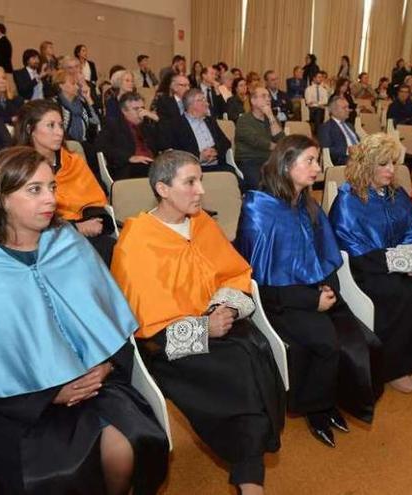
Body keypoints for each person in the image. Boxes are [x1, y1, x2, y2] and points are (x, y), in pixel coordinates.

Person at [0, 146, 168, 495]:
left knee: (131, 444)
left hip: (94, 385)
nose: (50, 199)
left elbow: (109, 324)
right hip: (16, 404)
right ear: (2, 197)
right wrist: (51, 394)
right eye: (34, 190)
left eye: (52, 187)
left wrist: (104, 367)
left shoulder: (65, 243)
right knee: (60, 475)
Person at [111, 150, 284, 493]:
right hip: (171, 346)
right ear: (162, 188)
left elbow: (235, 274)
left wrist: (228, 310)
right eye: (189, 182)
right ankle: (250, 475)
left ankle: (248, 468)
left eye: (200, 181)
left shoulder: (201, 223)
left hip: (220, 323)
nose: (200, 191)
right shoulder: (136, 242)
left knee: (255, 350)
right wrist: (204, 328)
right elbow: (147, 333)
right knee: (239, 368)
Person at [235, 134, 378, 447]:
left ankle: (333, 400)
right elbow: (258, 281)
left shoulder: (307, 205)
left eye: (317, 160)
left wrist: (328, 291)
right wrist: (312, 300)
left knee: (363, 339)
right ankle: (316, 409)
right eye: (310, 161)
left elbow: (326, 257)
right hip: (280, 301)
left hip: (314, 292)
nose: (318, 168)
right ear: (287, 165)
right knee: (327, 343)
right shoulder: (259, 210)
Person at [328, 133, 412, 392]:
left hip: (402, 262)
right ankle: (394, 368)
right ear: (367, 164)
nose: (391, 170)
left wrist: (407, 260)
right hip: (367, 269)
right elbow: (355, 248)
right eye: (383, 164)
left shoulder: (395, 194)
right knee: (400, 297)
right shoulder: (349, 200)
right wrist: (397, 263)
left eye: (393, 164)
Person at [15, 100, 116, 263]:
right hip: (41, 239)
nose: (59, 132)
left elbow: (95, 200)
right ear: (30, 129)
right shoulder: (18, 168)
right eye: (51, 125)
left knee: (113, 248)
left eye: (61, 125)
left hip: (85, 232)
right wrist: (76, 228)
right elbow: (22, 217)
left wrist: (95, 222)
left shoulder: (73, 161)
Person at [164, 88, 233, 174]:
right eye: (202, 100)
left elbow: (226, 142)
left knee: (235, 177)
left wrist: (215, 152)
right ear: (191, 104)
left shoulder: (210, 121)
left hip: (218, 164)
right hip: (192, 169)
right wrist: (199, 157)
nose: (207, 104)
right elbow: (175, 153)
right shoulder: (176, 125)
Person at [97, 92, 162, 180]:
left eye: (142, 108)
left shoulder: (147, 126)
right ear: (124, 111)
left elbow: (166, 143)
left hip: (153, 164)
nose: (141, 112)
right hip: (129, 168)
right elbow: (101, 147)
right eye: (136, 109)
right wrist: (129, 158)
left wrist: (156, 119)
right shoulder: (113, 125)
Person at [235, 86, 285, 189]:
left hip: (271, 161)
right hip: (250, 162)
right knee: (263, 186)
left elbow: (281, 139)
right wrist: (278, 147)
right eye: (264, 96)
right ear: (253, 101)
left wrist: (271, 116)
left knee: (290, 181)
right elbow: (257, 141)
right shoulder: (244, 120)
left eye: (268, 96)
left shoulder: (272, 119)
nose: (268, 99)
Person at [51, 69, 100, 144]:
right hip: (64, 145)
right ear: (61, 86)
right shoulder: (54, 105)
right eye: (73, 84)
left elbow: (96, 121)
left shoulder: (82, 102)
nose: (77, 87)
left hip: (85, 144)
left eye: (77, 84)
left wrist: (88, 98)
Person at [317, 96, 360, 166]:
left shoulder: (350, 126)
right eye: (344, 108)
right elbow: (326, 150)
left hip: (359, 156)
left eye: (348, 107)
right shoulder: (326, 127)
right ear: (334, 110)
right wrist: (347, 150)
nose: (348, 110)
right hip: (343, 159)